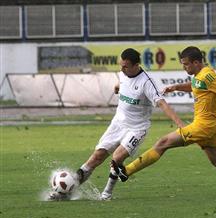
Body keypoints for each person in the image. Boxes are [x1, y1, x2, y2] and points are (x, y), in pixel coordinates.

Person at [109, 46, 216, 197]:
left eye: (186, 64)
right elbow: (196, 86)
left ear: (196, 62)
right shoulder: (199, 76)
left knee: (163, 143)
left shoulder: (207, 75)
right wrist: (176, 87)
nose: (184, 67)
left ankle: (126, 171)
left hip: (203, 126)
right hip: (209, 127)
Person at [49, 48, 184, 200]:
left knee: (117, 158)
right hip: (118, 123)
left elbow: (163, 104)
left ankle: (106, 194)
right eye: (121, 65)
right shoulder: (123, 73)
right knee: (96, 157)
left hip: (137, 128)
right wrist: (116, 88)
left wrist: (180, 124)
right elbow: (121, 83)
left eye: (125, 66)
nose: (122, 69)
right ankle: (66, 193)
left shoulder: (146, 83)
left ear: (136, 65)